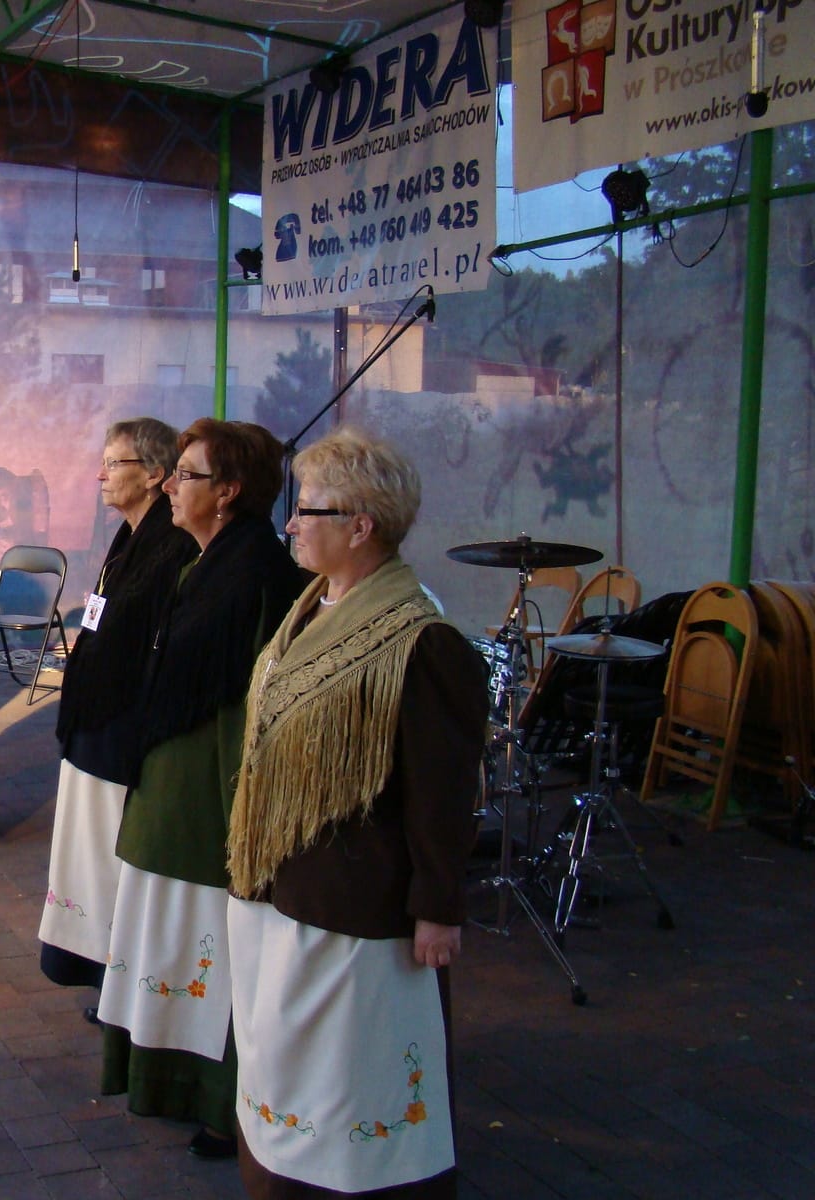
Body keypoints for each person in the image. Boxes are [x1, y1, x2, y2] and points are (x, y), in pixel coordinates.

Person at [225, 427, 488, 1199]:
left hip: (356, 899)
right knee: (288, 1067)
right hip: (286, 881)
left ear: (361, 526)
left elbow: (443, 790)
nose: (291, 524)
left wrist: (438, 906)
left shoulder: (421, 641)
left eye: (308, 509)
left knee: (352, 1074)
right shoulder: (311, 606)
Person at [96, 419, 308, 1159]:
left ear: (228, 492)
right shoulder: (205, 562)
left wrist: (238, 822)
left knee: (211, 957)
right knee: (172, 949)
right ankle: (172, 1085)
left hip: (206, 811)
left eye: (186, 475)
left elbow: (250, 717)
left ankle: (219, 1103)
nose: (170, 487)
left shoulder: (254, 574)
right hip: (171, 794)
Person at [39, 418, 195, 999]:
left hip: (120, 726)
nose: (100, 476)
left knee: (109, 853)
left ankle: (113, 971)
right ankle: (85, 959)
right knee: (85, 849)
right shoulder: (129, 536)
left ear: (154, 474)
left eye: (114, 463)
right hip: (93, 719)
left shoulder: (172, 544)